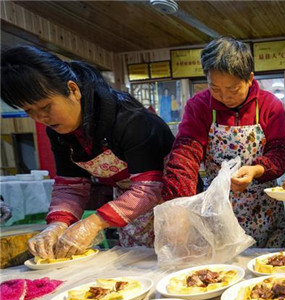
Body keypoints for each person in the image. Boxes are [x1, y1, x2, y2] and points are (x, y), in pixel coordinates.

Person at [1, 45, 174, 258]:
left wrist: (93, 223)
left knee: (176, 261)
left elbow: (148, 189)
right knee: (136, 261)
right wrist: (57, 223)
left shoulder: (131, 120)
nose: (41, 118)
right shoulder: (59, 132)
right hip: (129, 203)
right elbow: (71, 185)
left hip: (169, 198)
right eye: (30, 111)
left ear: (73, 90)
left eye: (46, 107)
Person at [162, 36, 285, 248]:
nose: (224, 97)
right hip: (217, 209)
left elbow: (280, 153)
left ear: (249, 79)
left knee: (271, 264)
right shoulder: (199, 106)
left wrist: (256, 170)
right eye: (215, 88)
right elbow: (185, 156)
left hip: (264, 210)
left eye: (233, 89)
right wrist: (178, 206)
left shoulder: (269, 105)